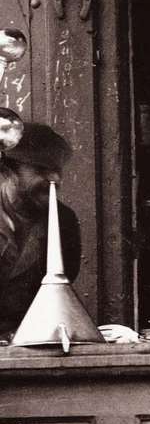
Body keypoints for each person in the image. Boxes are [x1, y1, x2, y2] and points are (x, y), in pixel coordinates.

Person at [0, 122, 81, 339]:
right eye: (41, 169)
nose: (55, 179)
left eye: (57, 169)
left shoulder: (64, 221)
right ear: (6, 170)